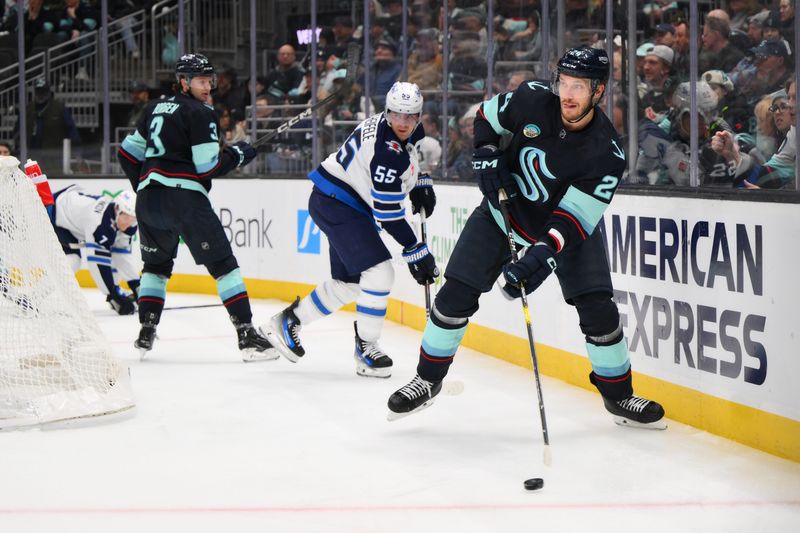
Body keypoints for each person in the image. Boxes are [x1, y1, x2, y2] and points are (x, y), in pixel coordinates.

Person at [387, 46, 666, 429]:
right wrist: (486, 151)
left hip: (566, 232)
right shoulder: (533, 97)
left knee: (598, 308)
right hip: (502, 215)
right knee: (455, 293)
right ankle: (427, 379)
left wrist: (540, 256)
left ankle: (619, 397)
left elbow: (570, 222)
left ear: (598, 91)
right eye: (564, 83)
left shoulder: (607, 154)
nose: (567, 94)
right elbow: (486, 118)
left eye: (579, 87)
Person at [264, 81, 438, 379]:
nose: (403, 123)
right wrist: (415, 249)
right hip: (339, 204)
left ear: (419, 116)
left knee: (352, 283)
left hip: (338, 200)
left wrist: (419, 180)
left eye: (410, 116)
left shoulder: (399, 133)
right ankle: (366, 347)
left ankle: (288, 321)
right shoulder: (386, 152)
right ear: (387, 112)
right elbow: (387, 213)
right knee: (381, 273)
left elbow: (408, 159)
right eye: (397, 115)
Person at [117, 53, 277, 362]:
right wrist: (238, 155)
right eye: (202, 81)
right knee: (224, 266)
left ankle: (146, 332)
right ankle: (247, 336)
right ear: (183, 82)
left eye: (210, 80)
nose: (208, 87)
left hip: (148, 202)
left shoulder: (153, 108)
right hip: (185, 201)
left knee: (156, 267)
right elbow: (206, 167)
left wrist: (146, 184)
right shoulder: (202, 112)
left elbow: (126, 153)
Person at [50, 186, 141, 316]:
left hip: (70, 219)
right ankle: (35, 295)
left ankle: (35, 295)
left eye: (133, 218)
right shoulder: (99, 224)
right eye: (126, 217)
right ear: (117, 209)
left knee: (80, 260)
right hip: (54, 214)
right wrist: (113, 295)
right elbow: (97, 263)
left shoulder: (126, 223)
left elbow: (121, 255)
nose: (129, 223)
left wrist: (136, 285)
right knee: (73, 262)